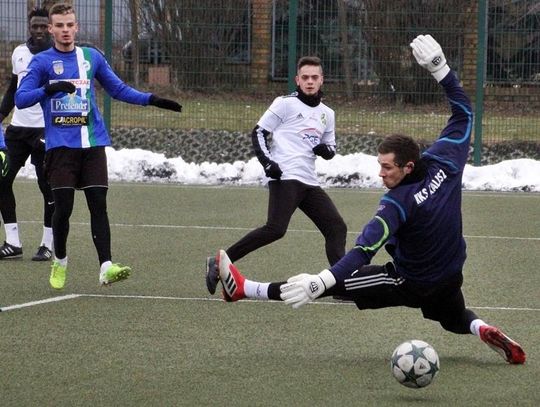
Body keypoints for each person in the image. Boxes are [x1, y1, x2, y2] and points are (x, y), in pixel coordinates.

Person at [212, 35, 526, 365]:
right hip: (450, 272)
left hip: (410, 281)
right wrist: (440, 69)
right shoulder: (446, 161)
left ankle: (244, 289)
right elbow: (464, 112)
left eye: (387, 168)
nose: (381, 175)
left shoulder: (396, 204)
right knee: (452, 317)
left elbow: (362, 252)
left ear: (407, 166)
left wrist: (322, 281)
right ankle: (483, 328)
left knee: (339, 285)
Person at [15, 3, 182, 289]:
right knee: (63, 208)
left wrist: (152, 99)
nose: (66, 30)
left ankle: (106, 266)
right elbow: (21, 98)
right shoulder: (42, 62)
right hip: (60, 148)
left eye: (70, 25)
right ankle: (61, 260)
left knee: (99, 205)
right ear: (52, 29)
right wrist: (49, 89)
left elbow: (118, 89)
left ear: (76, 27)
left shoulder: (91, 57)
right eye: (60, 26)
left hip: (92, 143)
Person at [205, 56, 347, 295]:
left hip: (309, 181)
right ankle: (220, 262)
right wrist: (267, 163)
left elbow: (330, 147)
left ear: (322, 80)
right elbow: (259, 132)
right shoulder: (284, 103)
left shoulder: (327, 113)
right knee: (276, 229)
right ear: (297, 80)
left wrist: (326, 151)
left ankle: (341, 287)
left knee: (336, 227)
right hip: (285, 176)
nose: (310, 82)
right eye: (305, 78)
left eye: (314, 77)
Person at [0, 7, 54, 261]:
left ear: (51, 27)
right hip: (18, 130)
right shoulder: (19, 53)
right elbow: (13, 90)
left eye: (45, 26)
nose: (40, 30)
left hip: (46, 129)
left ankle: (47, 244)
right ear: (29, 27)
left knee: (47, 186)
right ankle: (12, 242)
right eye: (36, 26)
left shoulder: (58, 56)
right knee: (1, 180)